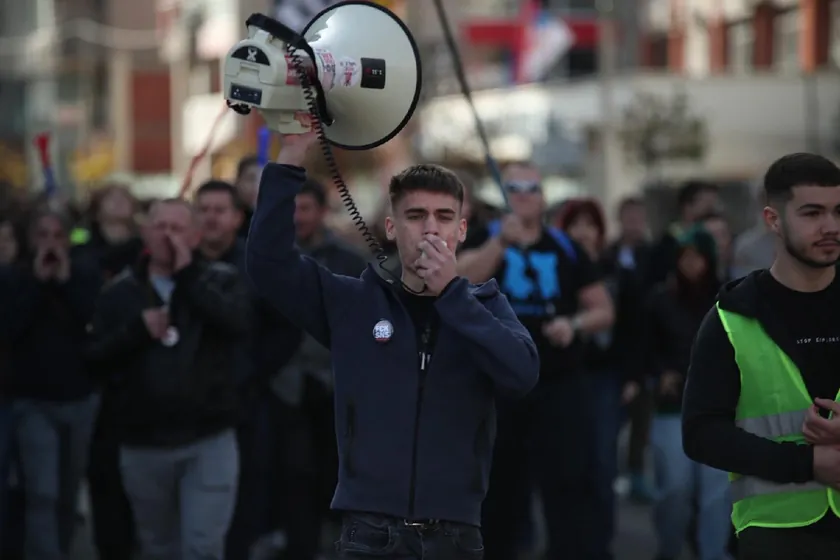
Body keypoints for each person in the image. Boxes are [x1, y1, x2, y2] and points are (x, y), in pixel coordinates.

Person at [246, 132, 539, 559]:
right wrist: (290, 156)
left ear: (461, 229)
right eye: (416, 215)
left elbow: (523, 373)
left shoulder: (487, 307)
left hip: (454, 533)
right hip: (369, 529)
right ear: (391, 226)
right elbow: (268, 264)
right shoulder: (352, 302)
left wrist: (452, 295)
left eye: (443, 216)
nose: (430, 228)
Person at [683, 152, 840, 559]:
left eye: (839, 211)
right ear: (773, 220)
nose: (831, 226)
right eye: (812, 213)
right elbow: (700, 434)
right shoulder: (733, 317)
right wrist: (808, 464)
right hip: (774, 535)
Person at [457, 163, 614, 560]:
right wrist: (500, 245)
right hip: (498, 384)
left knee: (567, 481)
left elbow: (603, 310)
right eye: (515, 187)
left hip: (558, 381)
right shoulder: (485, 237)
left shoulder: (564, 246)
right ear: (505, 194)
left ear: (543, 196)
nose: (524, 194)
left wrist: (573, 323)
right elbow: (455, 284)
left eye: (531, 187)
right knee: (499, 484)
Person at [87, 198, 251, 560]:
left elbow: (238, 324)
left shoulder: (220, 279)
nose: (168, 236)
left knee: (202, 546)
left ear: (194, 237)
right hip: (142, 441)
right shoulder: (120, 292)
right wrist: (136, 331)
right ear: (145, 233)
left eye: (177, 229)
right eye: (160, 227)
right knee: (158, 545)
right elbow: (94, 359)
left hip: (207, 437)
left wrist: (188, 276)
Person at [643, 226, 730, 560]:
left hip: (718, 409)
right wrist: (658, 373)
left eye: (697, 257)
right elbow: (643, 348)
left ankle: (714, 553)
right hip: (672, 407)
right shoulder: (660, 300)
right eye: (685, 258)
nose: (691, 265)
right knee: (675, 489)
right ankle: (669, 550)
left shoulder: (728, 300)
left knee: (715, 494)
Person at [648, 180, 720, 286]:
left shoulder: (711, 236)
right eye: (705, 203)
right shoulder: (670, 239)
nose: (710, 208)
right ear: (687, 206)